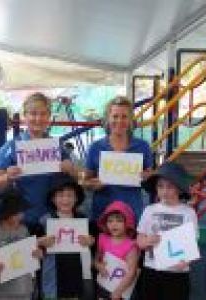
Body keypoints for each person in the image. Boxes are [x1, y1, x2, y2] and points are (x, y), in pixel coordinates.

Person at [0, 92, 76, 232]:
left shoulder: (57, 146)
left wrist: (70, 169)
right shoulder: (11, 147)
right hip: (20, 220)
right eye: (33, 113)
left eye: (43, 114)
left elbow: (75, 177)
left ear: (49, 117)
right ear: (25, 116)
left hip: (52, 218)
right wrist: (7, 176)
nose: (38, 118)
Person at [83, 96, 153, 222]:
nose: (119, 121)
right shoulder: (96, 147)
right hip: (103, 212)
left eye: (124, 116)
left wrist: (148, 177)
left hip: (132, 212)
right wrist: (94, 185)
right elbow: (85, 181)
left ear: (131, 119)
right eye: (115, 116)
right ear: (108, 119)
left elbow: (151, 180)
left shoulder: (142, 146)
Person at [136, 162, 198, 300]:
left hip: (177, 273)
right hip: (152, 270)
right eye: (160, 186)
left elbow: (192, 246)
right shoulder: (149, 210)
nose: (164, 190)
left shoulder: (188, 213)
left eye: (170, 186)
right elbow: (139, 241)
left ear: (180, 189)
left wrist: (186, 261)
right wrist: (147, 241)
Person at [37, 174, 95, 299]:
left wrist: (91, 241)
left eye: (70, 195)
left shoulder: (83, 219)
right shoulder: (44, 221)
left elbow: (92, 242)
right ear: (53, 199)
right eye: (61, 195)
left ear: (76, 198)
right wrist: (40, 242)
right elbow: (36, 251)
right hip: (54, 276)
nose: (65, 200)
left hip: (77, 274)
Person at [0, 186, 42, 300]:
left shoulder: (24, 229)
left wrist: (37, 254)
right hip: (2, 292)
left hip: (26, 288)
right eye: (18, 212)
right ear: (6, 214)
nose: (22, 215)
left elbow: (30, 254)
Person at [94, 201, 139, 300]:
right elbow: (97, 259)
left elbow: (132, 272)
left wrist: (118, 291)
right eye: (110, 221)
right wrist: (98, 266)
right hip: (103, 285)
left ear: (127, 223)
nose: (114, 224)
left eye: (119, 221)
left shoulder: (131, 245)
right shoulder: (102, 238)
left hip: (122, 290)